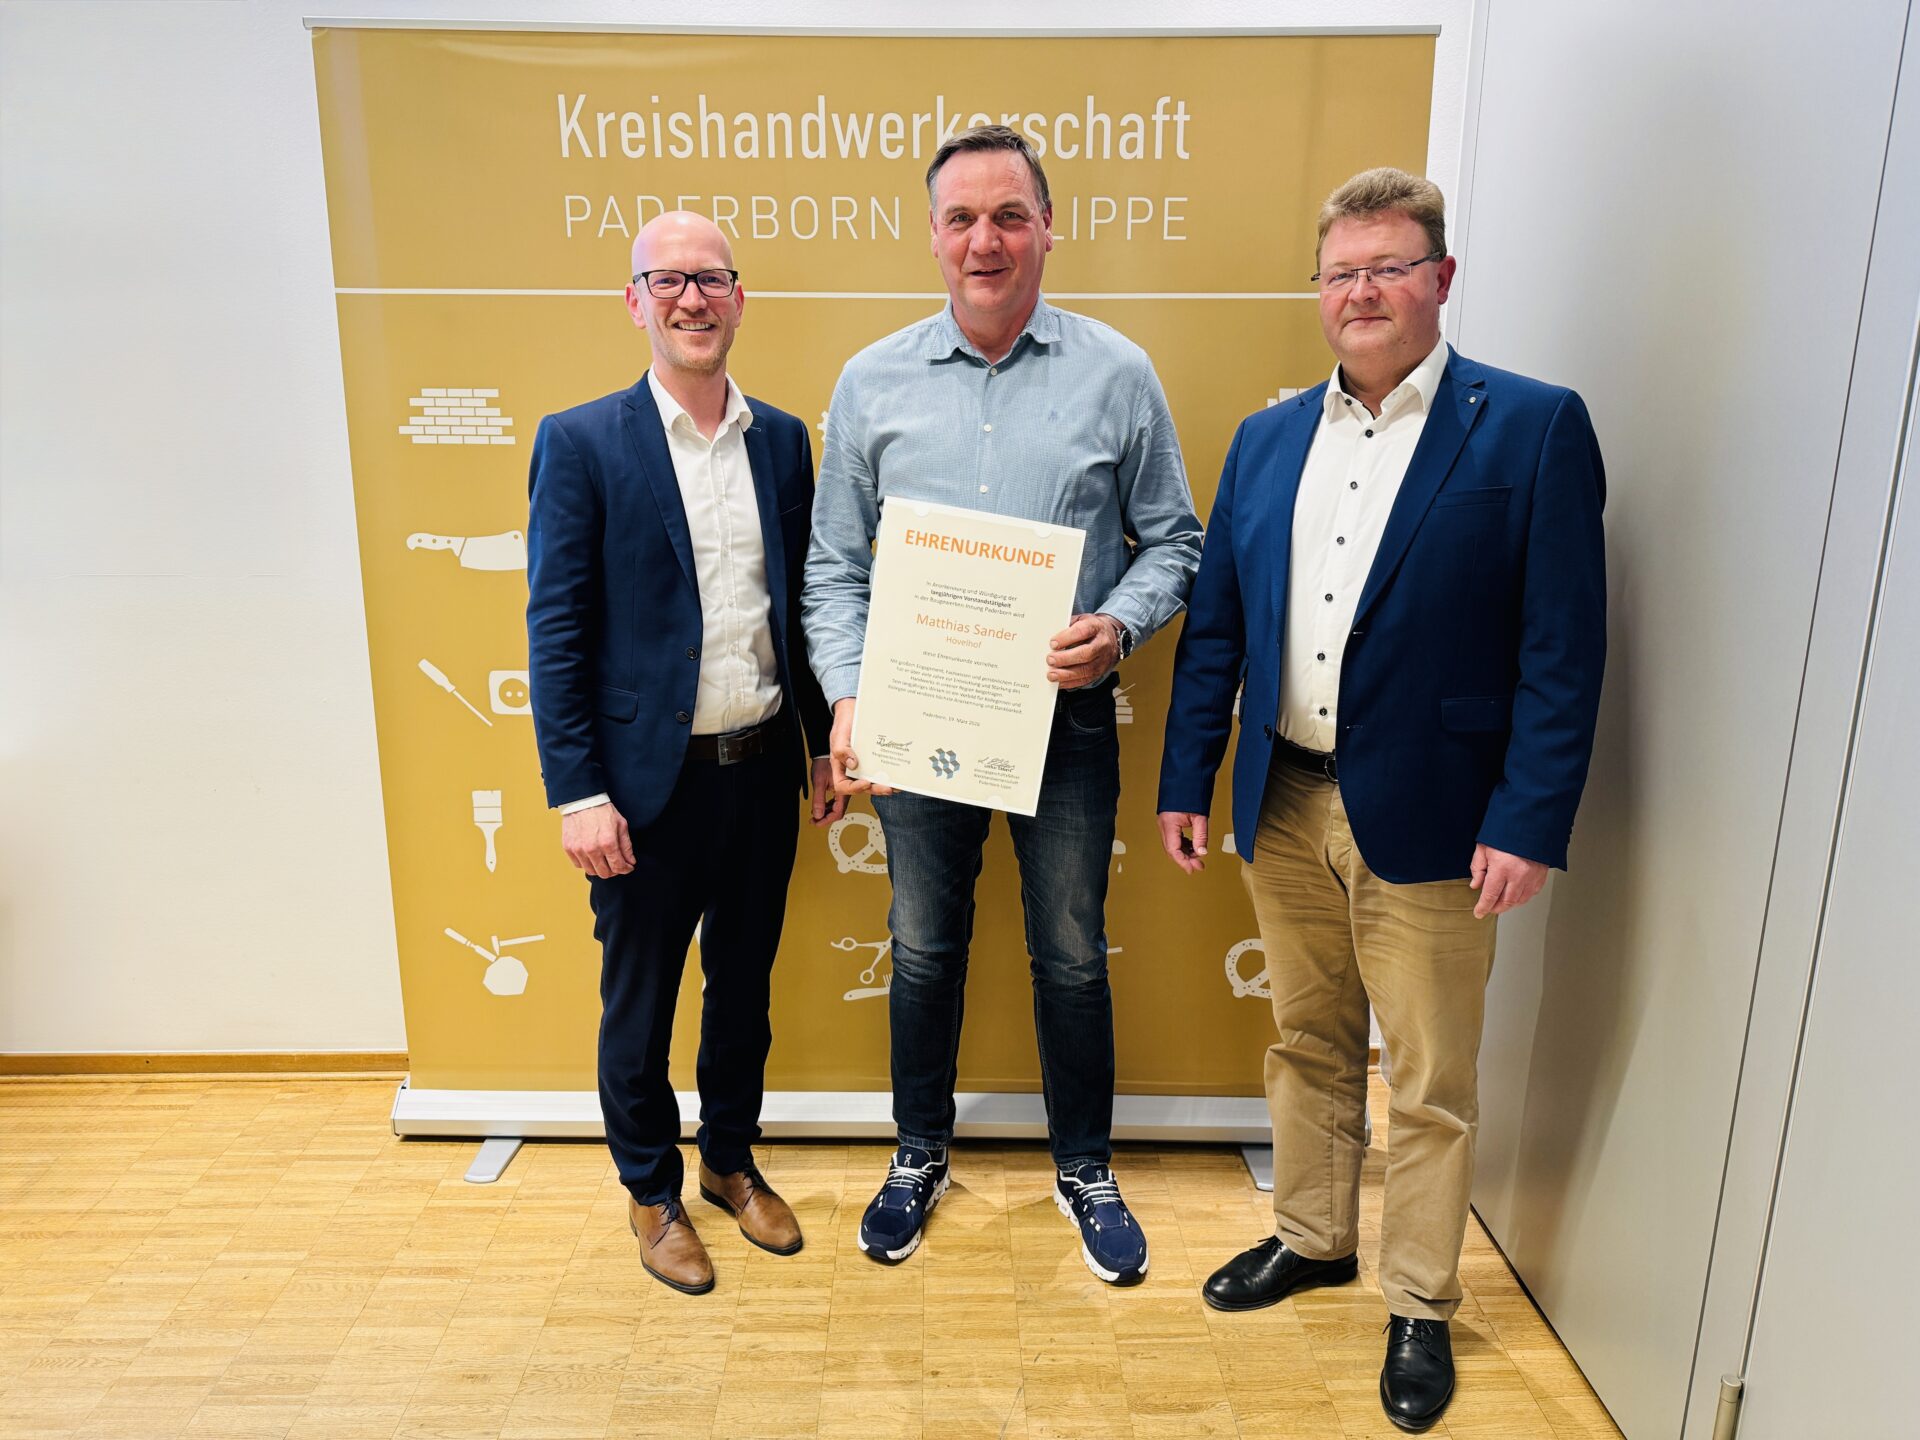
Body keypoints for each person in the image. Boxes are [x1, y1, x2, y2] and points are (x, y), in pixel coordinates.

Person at [1156, 167, 1606, 1432]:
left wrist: (1528, 817)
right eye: (1341, 271)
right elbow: (1219, 625)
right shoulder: (1268, 439)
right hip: (1284, 798)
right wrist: (1188, 774)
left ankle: (1418, 1300)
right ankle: (1314, 1236)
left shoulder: (1531, 427)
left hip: (1440, 816)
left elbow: (1563, 649)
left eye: (1389, 267)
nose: (1362, 291)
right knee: (1305, 1039)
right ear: (1319, 290)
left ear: (1441, 279)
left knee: (1429, 1078)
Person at [803, 125, 1202, 1285]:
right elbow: (834, 567)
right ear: (933, 236)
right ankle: (917, 1153)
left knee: (1071, 953)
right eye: (963, 218)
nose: (987, 240)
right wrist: (847, 697)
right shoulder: (871, 381)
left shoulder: (1117, 373)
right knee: (924, 947)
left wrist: (1115, 625)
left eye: (1010, 215)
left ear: (1047, 228)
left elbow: (1176, 542)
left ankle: (1085, 1168)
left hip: (1063, 722)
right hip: (919, 715)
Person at [526, 211, 840, 1296]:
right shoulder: (581, 442)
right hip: (641, 790)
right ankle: (651, 1192)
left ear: (739, 299)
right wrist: (578, 791)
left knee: (743, 991)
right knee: (642, 1004)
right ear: (635, 303)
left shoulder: (782, 441)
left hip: (759, 772)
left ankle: (729, 1163)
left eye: (711, 279)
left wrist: (820, 745)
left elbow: (797, 609)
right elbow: (556, 630)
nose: (692, 299)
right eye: (668, 281)